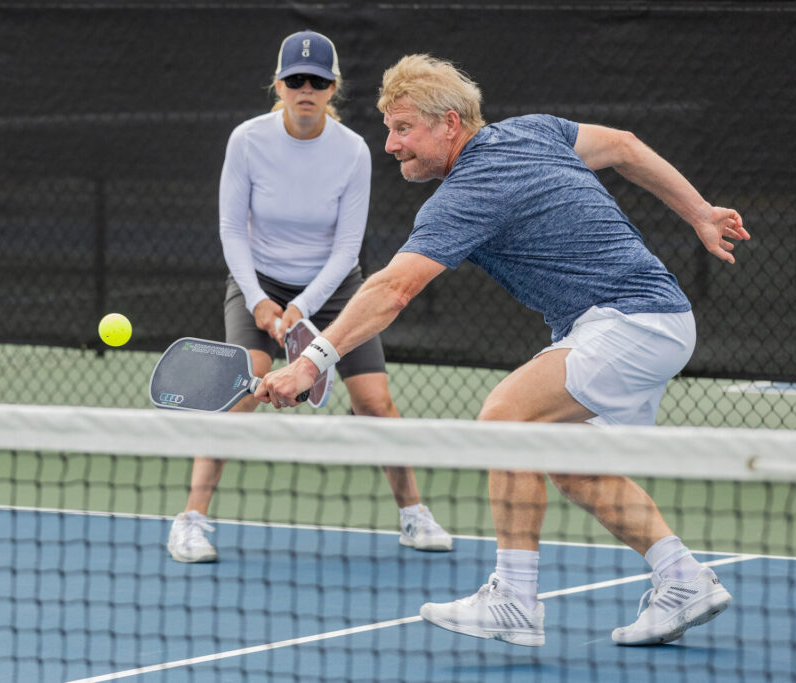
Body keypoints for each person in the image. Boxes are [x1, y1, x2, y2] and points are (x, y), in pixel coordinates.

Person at [255, 54, 750, 647]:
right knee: (565, 458)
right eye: (389, 128)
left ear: (450, 125)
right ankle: (682, 578)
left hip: (630, 322)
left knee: (504, 419)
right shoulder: (535, 130)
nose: (391, 145)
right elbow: (623, 144)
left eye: (404, 128)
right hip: (651, 319)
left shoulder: (469, 192)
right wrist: (699, 212)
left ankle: (515, 599)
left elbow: (394, 289)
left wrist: (312, 360)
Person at [166, 34, 453, 563]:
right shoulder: (247, 140)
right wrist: (259, 301)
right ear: (278, 85)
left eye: (318, 81)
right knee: (240, 391)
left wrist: (301, 308)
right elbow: (232, 230)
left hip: (335, 287)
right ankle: (190, 520)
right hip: (260, 282)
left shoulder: (351, 150)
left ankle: (414, 515)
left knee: (373, 402)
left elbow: (348, 249)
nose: (306, 89)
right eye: (295, 80)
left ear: (332, 89)